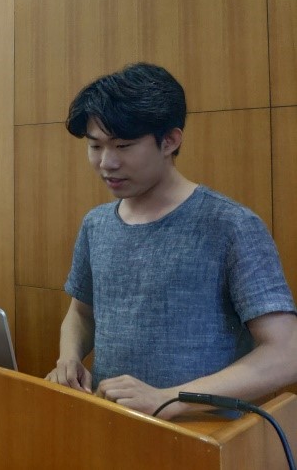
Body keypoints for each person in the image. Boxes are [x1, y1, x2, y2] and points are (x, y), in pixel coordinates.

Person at [44, 62, 297, 419]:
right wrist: (69, 356)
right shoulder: (96, 224)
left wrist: (169, 399)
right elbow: (82, 313)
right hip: (112, 425)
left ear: (170, 141)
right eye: (95, 146)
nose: (107, 163)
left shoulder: (230, 225)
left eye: (123, 145)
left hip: (201, 435)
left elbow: (286, 353)